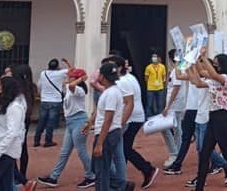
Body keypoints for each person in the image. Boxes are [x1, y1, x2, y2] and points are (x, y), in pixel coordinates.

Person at [187, 50, 227, 191]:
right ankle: (199, 186)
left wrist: (201, 56)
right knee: (205, 152)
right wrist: (190, 63)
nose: (214, 64)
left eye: (216, 62)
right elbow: (197, 80)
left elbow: (211, 73)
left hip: (222, 118)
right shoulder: (216, 79)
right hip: (213, 118)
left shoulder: (225, 78)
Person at [36, 68, 96, 188]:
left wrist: (80, 79)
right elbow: (71, 82)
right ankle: (54, 177)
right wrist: (72, 72)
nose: (68, 79)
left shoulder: (78, 89)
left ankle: (91, 176)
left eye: (71, 77)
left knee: (81, 150)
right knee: (64, 152)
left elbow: (73, 85)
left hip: (79, 121)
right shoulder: (71, 87)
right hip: (70, 122)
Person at [110, 55, 159, 189]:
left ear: (119, 67)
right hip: (134, 116)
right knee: (123, 148)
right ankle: (121, 179)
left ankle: (145, 169)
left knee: (123, 148)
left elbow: (128, 103)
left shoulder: (122, 81)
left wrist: (120, 123)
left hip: (131, 118)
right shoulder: (129, 77)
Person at [183, 63, 227, 188]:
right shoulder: (208, 81)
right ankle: (204, 177)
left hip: (209, 118)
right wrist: (188, 63)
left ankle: (224, 166)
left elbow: (202, 76)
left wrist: (199, 60)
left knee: (204, 149)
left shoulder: (214, 81)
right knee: (203, 150)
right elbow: (194, 80)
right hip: (199, 117)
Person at [82, 62, 129, 191]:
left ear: (102, 76)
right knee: (98, 166)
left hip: (107, 133)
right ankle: (122, 184)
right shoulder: (109, 92)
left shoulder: (111, 93)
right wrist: (90, 122)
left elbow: (108, 119)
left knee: (101, 170)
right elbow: (100, 111)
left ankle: (119, 185)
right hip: (108, 132)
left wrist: (100, 143)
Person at [10, 65, 37, 189]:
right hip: (25, 119)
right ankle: (21, 174)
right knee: (23, 146)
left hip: (18, 119)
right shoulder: (31, 87)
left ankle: (17, 176)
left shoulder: (17, 89)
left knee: (13, 147)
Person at [34, 58, 71, 148]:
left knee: (41, 121)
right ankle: (48, 140)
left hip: (44, 100)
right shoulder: (60, 73)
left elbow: (39, 85)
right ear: (57, 66)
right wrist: (67, 62)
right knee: (51, 122)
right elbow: (72, 71)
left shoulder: (43, 73)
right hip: (55, 100)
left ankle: (36, 140)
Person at [160, 50, 185, 169]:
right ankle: (177, 152)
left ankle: (174, 153)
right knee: (177, 128)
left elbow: (175, 88)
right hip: (177, 103)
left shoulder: (177, 71)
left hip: (174, 104)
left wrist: (168, 106)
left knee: (166, 128)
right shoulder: (179, 70)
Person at [144, 53, 167, 118]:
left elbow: (164, 76)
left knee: (160, 104)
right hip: (150, 88)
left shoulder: (162, 66)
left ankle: (159, 118)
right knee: (149, 104)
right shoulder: (148, 67)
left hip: (160, 88)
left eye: (155, 57)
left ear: (158, 58)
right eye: (153, 57)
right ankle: (148, 118)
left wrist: (163, 84)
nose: (154, 58)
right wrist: (150, 84)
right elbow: (146, 78)